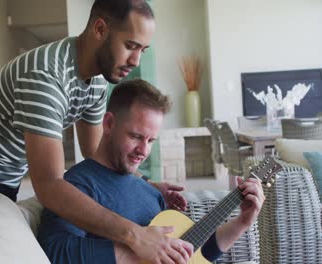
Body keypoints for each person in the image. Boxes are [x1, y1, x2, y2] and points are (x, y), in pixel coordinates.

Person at [0, 0, 191, 261]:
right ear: (100, 29)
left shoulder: (97, 84)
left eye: (142, 49)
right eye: (130, 45)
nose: (135, 60)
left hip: (7, 167)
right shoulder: (45, 77)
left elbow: (94, 152)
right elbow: (49, 186)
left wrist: (146, 186)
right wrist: (135, 235)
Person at [37, 79, 265, 263]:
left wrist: (243, 221)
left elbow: (196, 255)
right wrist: (137, 248)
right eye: (136, 136)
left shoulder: (151, 192)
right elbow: (54, 252)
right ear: (108, 124)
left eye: (151, 140)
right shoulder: (78, 186)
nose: (143, 151)